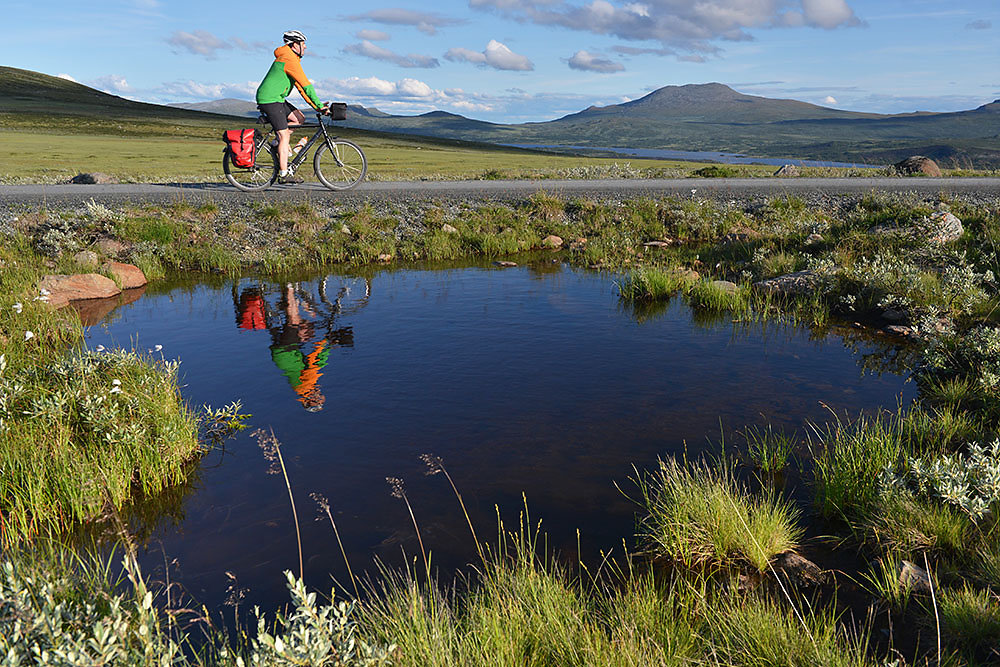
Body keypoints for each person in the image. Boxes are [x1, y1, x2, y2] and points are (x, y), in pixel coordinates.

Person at [256, 30, 328, 185]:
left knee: (299, 118)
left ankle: (277, 144)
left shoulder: (291, 58)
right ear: (295, 45)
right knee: (284, 136)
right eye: (303, 44)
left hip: (277, 98)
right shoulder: (289, 59)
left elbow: (302, 89)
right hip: (269, 99)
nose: (306, 47)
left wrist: (317, 106)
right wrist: (320, 106)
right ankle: (283, 174)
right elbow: (306, 85)